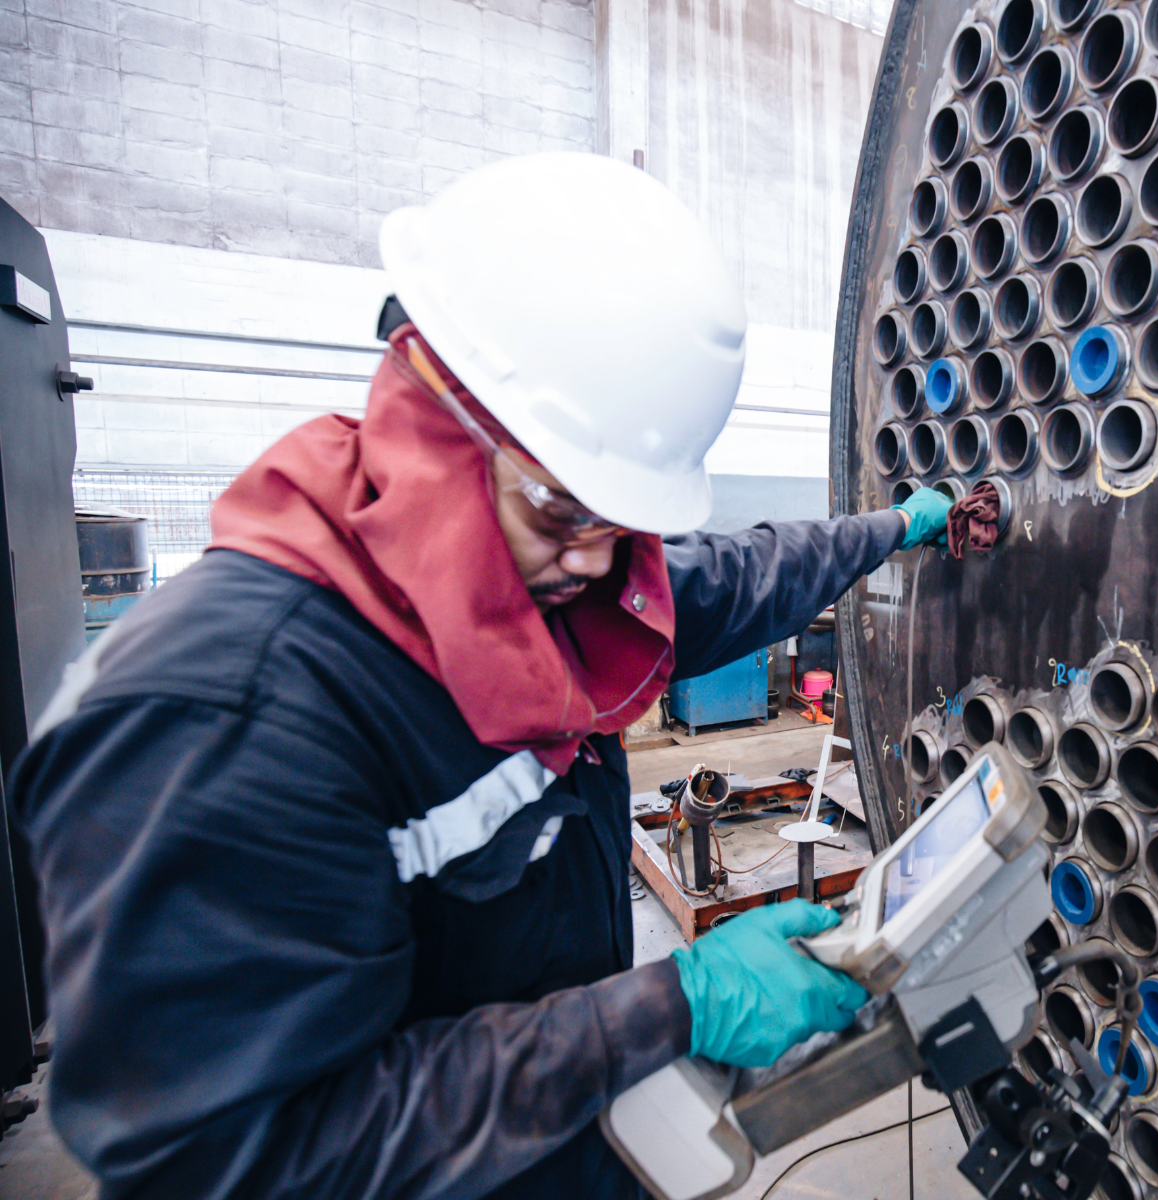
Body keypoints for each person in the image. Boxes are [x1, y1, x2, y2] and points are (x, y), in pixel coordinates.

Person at [9, 153, 953, 1199]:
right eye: (561, 502)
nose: (597, 557)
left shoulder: (545, 581)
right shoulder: (223, 718)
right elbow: (240, 1157)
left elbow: (741, 576)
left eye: (619, 515)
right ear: (432, 408)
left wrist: (894, 527)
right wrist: (668, 1009)